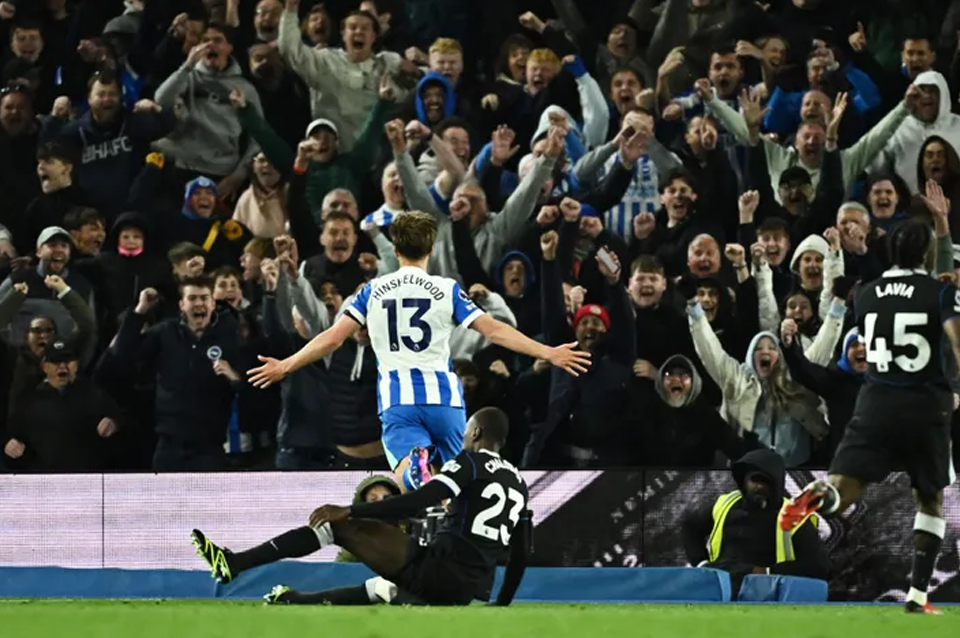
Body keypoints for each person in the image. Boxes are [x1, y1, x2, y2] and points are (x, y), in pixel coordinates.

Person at [248, 211, 590, 492]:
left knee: (408, 481)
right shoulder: (447, 289)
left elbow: (333, 339)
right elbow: (494, 330)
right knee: (452, 486)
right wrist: (547, 352)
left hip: (400, 402)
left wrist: (286, 365)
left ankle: (416, 472)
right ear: (431, 248)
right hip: (445, 400)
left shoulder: (373, 291)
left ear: (396, 249)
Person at [779, 211, 959, 615]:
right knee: (930, 498)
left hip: (874, 402)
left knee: (844, 486)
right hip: (925, 406)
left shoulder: (866, 295)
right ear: (926, 252)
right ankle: (917, 595)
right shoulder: (940, 292)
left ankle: (818, 496)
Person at [191, 406, 530, 607]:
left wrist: (352, 510)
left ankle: (236, 563)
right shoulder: (518, 482)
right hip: (471, 588)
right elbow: (521, 552)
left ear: (477, 432)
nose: (465, 436)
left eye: (467, 430)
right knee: (384, 589)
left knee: (338, 527)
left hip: (440, 569)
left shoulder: (469, 462)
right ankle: (294, 600)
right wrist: (501, 602)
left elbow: (420, 499)